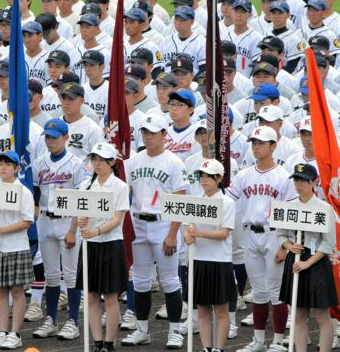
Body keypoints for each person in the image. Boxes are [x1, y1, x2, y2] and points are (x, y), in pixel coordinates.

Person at [122, 114, 189, 349]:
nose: (148, 137)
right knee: (140, 281)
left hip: (163, 224)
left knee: (170, 280)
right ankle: (142, 330)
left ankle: (174, 332)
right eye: (145, 132)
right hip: (138, 224)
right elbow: (124, 192)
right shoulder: (134, 160)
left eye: (153, 132)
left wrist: (172, 234)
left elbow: (180, 200)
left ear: (164, 134)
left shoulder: (174, 162)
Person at [227, 126, 296, 352]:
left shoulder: (284, 177)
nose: (256, 147)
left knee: (276, 292)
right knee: (258, 291)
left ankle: (277, 341)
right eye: (254, 142)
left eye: (261, 143)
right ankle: (258, 341)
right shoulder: (244, 174)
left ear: (273, 146)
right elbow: (227, 201)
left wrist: (286, 246)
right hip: (250, 234)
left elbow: (291, 211)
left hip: (274, 235)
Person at [31, 118, 87, 341]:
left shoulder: (76, 164)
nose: (49, 141)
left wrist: (73, 230)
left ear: (66, 138)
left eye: (54, 137)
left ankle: (72, 321)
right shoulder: (39, 162)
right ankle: (51, 319)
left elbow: (81, 199)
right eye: (47, 137)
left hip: (68, 222)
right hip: (45, 219)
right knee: (51, 275)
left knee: (72, 275)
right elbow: (35, 193)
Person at [278, 163, 337, 352]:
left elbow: (328, 243)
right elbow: (281, 235)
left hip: (316, 262)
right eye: (296, 180)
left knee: (322, 314)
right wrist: (289, 246)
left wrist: (307, 263)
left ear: (314, 182)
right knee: (297, 313)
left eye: (303, 180)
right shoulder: (289, 206)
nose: (299, 184)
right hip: (295, 260)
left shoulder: (324, 208)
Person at [76, 142, 130, 352]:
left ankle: (109, 342)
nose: (96, 164)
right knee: (90, 295)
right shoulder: (86, 185)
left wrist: (96, 231)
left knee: (109, 296)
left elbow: (118, 219)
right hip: (90, 244)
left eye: (101, 160)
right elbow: (80, 210)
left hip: (109, 243)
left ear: (112, 162)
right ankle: (97, 341)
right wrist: (81, 222)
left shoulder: (119, 186)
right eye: (94, 159)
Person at [0, 150, 35, 350]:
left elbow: (27, 221)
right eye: (0, 164)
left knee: (17, 290)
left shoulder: (23, 192)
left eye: (7, 164)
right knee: (0, 291)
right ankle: (2, 331)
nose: (3, 167)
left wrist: (1, 230)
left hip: (15, 246)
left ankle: (15, 333)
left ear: (16, 168)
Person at [184, 159, 237, 352]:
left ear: (219, 178)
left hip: (219, 261)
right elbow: (187, 227)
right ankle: (207, 347)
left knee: (221, 309)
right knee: (203, 308)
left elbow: (224, 233)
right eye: (202, 176)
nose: (204, 180)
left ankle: (219, 348)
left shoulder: (227, 202)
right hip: (198, 259)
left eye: (209, 176)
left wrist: (197, 234)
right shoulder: (196, 200)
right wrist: (187, 235)